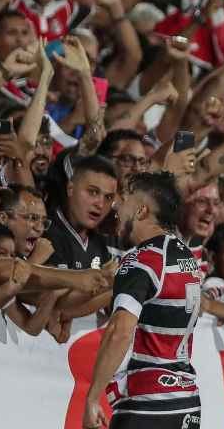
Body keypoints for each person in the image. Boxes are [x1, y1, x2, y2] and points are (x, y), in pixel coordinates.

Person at [83, 172, 201, 429]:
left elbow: (119, 331)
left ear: (141, 211)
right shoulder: (187, 257)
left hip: (147, 402)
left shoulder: (141, 259)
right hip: (185, 402)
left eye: (124, 198)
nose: (115, 204)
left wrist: (92, 398)